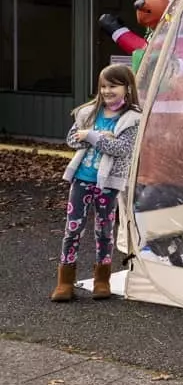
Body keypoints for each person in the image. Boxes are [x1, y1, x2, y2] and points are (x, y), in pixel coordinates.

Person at [51, 64, 142, 302]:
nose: (107, 91)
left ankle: (102, 279)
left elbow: (121, 149)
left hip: (108, 184)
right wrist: (102, 137)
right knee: (73, 230)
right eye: (103, 86)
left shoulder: (132, 119)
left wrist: (92, 136)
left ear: (127, 87)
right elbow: (72, 138)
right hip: (82, 180)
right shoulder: (90, 113)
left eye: (113, 86)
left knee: (104, 231)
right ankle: (65, 281)